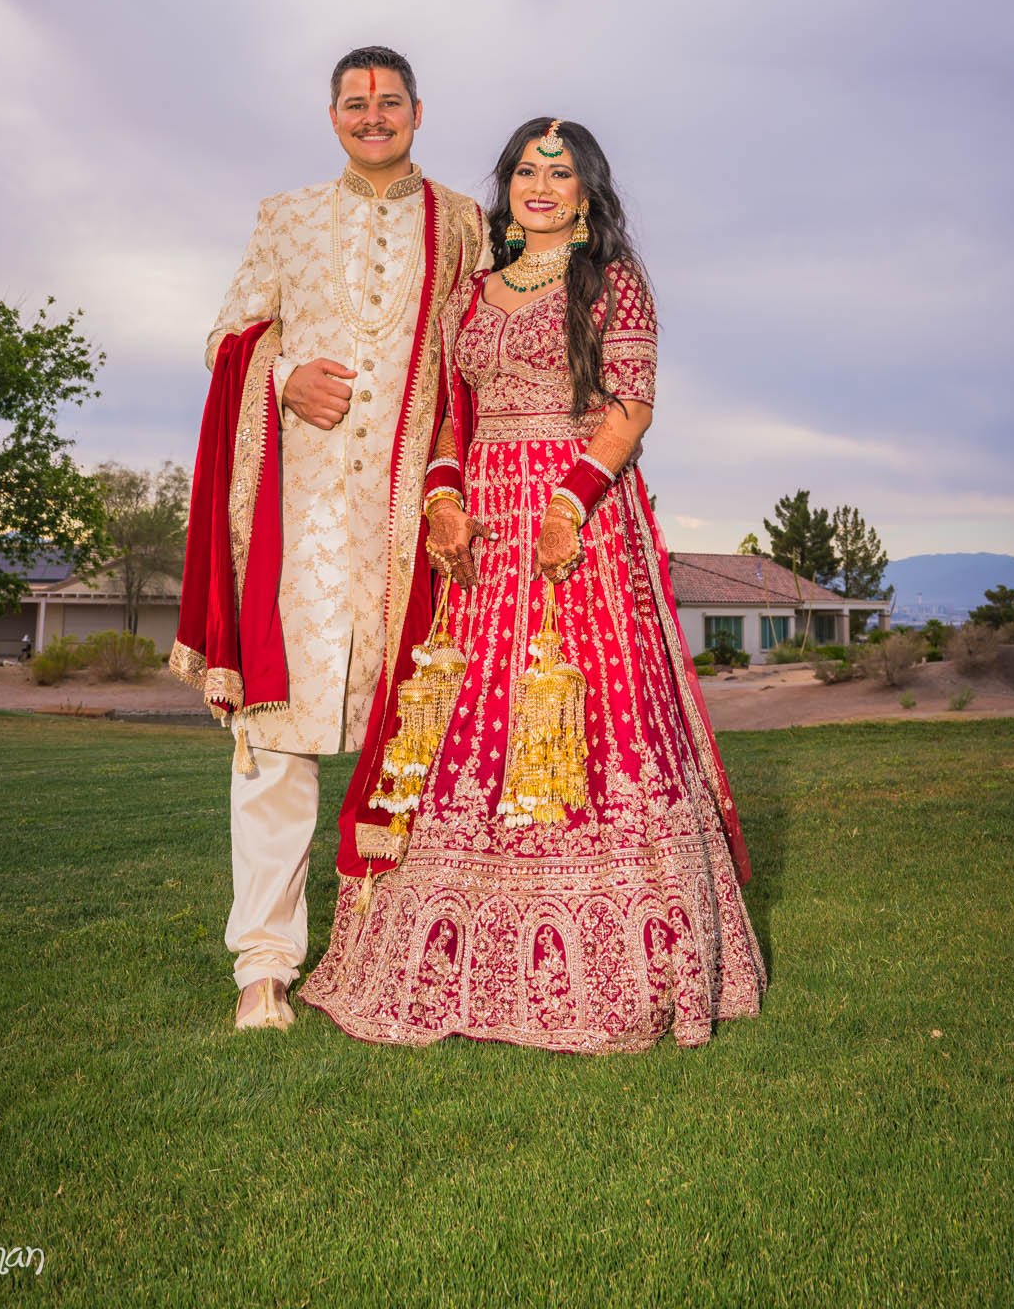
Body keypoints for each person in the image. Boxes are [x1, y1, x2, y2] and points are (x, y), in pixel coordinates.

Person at [301, 117, 767, 1052]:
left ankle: (618, 975)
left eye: (559, 173)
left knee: (596, 711)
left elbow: (630, 407)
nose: (540, 185)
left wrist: (568, 502)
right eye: (524, 170)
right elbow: (446, 419)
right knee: (466, 720)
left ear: (587, 193)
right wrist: (442, 502)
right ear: (507, 187)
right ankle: (455, 970)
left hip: (577, 522)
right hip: (482, 535)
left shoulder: (611, 284)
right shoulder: (471, 295)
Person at [169, 47, 487, 1030]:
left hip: (411, 521)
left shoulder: (465, 223)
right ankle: (263, 966)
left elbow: (479, 354)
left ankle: (400, 951)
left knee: (421, 735)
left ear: (419, 110)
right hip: (298, 514)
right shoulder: (288, 214)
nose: (373, 114)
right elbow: (228, 334)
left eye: (389, 100)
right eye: (356, 102)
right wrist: (282, 373)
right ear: (334, 113)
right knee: (275, 738)